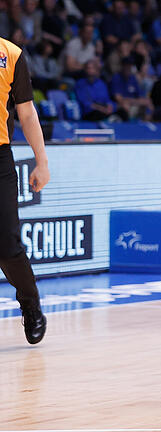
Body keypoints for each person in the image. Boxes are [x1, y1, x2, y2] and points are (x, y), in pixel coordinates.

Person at [0, 37, 50, 344]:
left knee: (7, 245)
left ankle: (30, 306)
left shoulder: (11, 53)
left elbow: (27, 112)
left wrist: (41, 162)